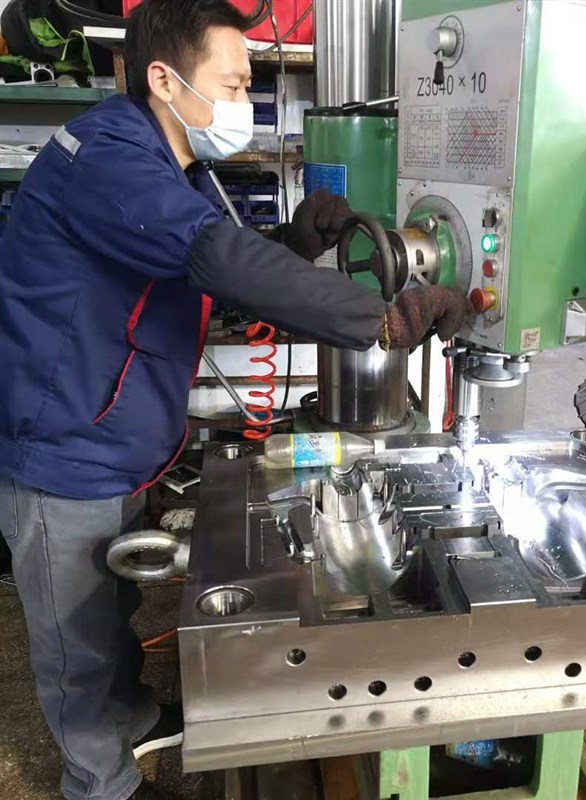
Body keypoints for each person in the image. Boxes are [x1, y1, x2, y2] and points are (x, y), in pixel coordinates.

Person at [0, 1, 468, 798]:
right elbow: (213, 256)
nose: (245, 101)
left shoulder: (165, 160)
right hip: (65, 447)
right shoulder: (108, 161)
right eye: (233, 83)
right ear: (164, 79)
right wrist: (381, 323)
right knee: (74, 643)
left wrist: (296, 242)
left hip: (113, 435)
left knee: (105, 609)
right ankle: (103, 784)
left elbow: (198, 260)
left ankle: (131, 718)